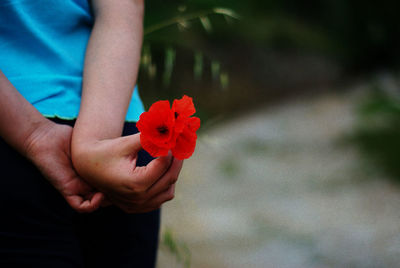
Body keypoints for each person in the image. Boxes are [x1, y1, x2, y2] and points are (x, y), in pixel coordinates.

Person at [0, 0, 182, 267]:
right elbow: (122, 12)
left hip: (13, 129)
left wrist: (34, 135)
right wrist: (94, 145)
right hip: (118, 132)